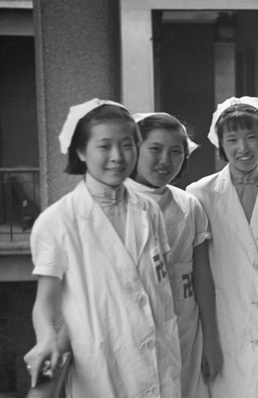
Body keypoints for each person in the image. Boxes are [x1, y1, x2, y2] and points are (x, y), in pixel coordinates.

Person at [23, 99, 181, 397]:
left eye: (127, 145)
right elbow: (45, 301)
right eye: (104, 146)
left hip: (161, 364)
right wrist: (45, 338)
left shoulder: (150, 210)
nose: (117, 157)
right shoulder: (58, 221)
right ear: (81, 152)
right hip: (102, 368)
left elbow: (156, 289)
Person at [186, 97, 258, 398]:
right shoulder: (199, 195)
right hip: (226, 326)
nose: (244, 148)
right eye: (233, 139)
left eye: (252, 137)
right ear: (220, 144)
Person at [126, 112, 222, 398]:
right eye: (155, 149)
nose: (165, 160)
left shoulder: (188, 206)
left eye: (176, 151)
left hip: (183, 331)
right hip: (129, 334)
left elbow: (202, 277)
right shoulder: (111, 203)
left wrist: (212, 342)